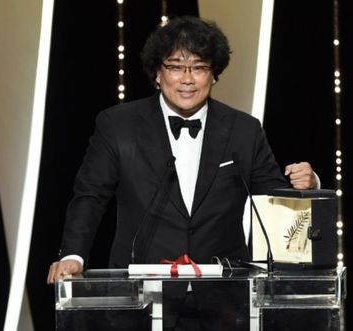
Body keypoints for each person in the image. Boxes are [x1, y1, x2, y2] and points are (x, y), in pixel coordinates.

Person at [47, 16, 318, 329]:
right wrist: (74, 256)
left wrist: (308, 184)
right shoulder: (117, 125)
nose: (187, 79)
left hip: (224, 296)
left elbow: (273, 197)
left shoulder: (244, 130)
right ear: (157, 75)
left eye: (200, 67)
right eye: (176, 66)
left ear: (213, 75)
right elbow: (90, 196)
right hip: (142, 296)